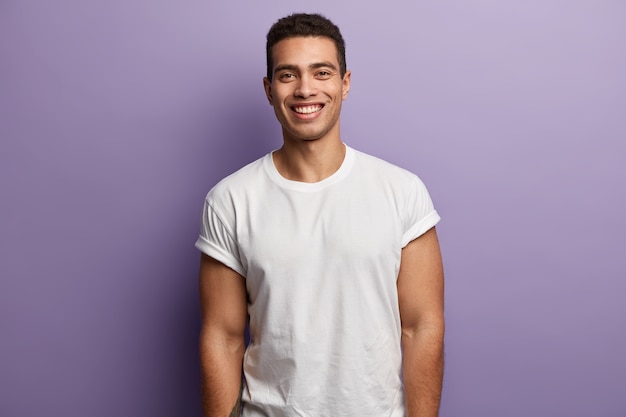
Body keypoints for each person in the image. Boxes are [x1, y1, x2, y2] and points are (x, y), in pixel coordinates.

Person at [196, 13, 444, 417]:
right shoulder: (230, 200)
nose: (305, 89)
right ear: (268, 88)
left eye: (321, 72)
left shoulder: (401, 191)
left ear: (345, 83)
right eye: (288, 75)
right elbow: (222, 338)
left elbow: (421, 328)